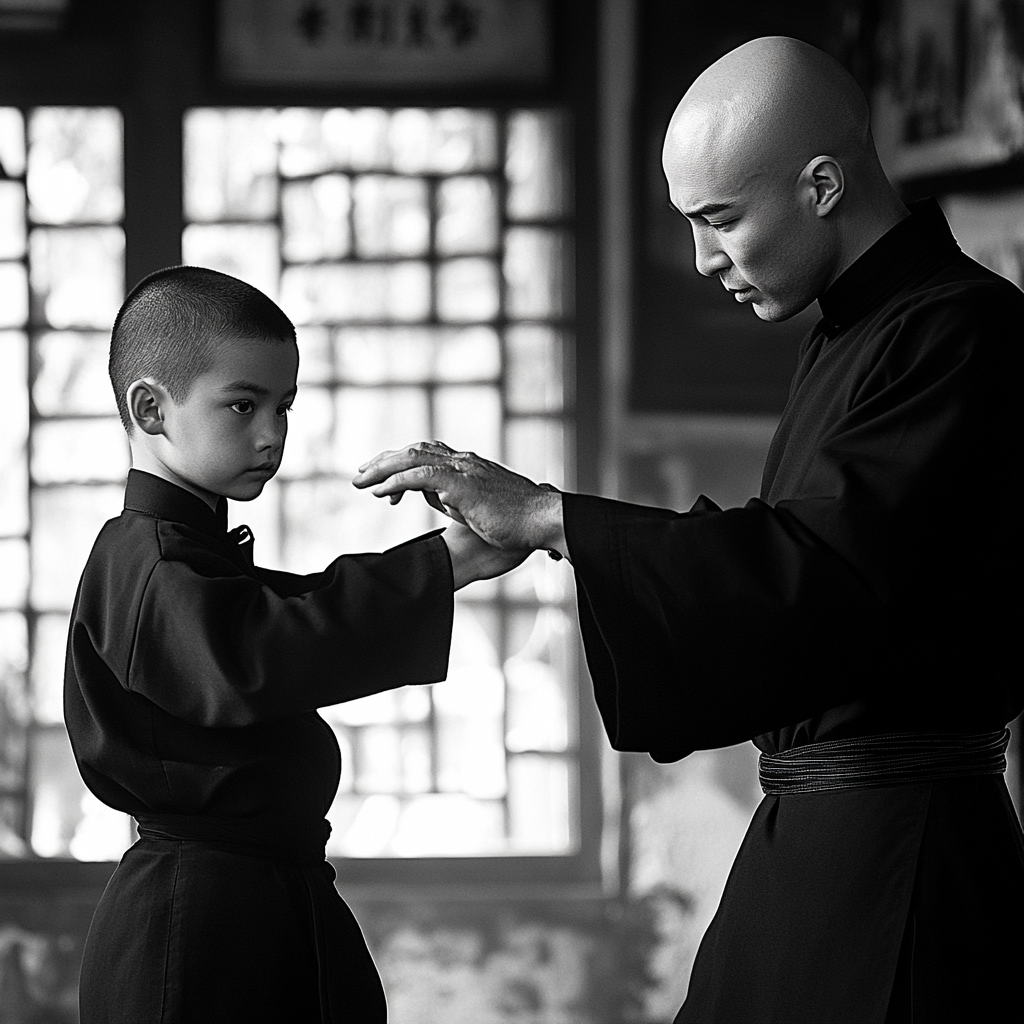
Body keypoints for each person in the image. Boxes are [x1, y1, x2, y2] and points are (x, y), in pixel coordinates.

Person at [353, 35, 1024, 1023]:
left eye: (720, 220)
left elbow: (820, 578)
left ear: (822, 184)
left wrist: (555, 517)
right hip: (815, 835)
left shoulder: (959, 331)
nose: (705, 258)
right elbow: (794, 553)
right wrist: (562, 527)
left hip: (901, 859)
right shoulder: (858, 329)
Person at [63, 265, 524, 1024]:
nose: (272, 434)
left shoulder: (192, 560)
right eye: (242, 405)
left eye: (284, 405)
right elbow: (256, 654)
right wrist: (443, 565)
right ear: (150, 408)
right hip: (194, 932)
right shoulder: (143, 561)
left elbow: (287, 606)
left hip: (262, 901)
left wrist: (456, 559)